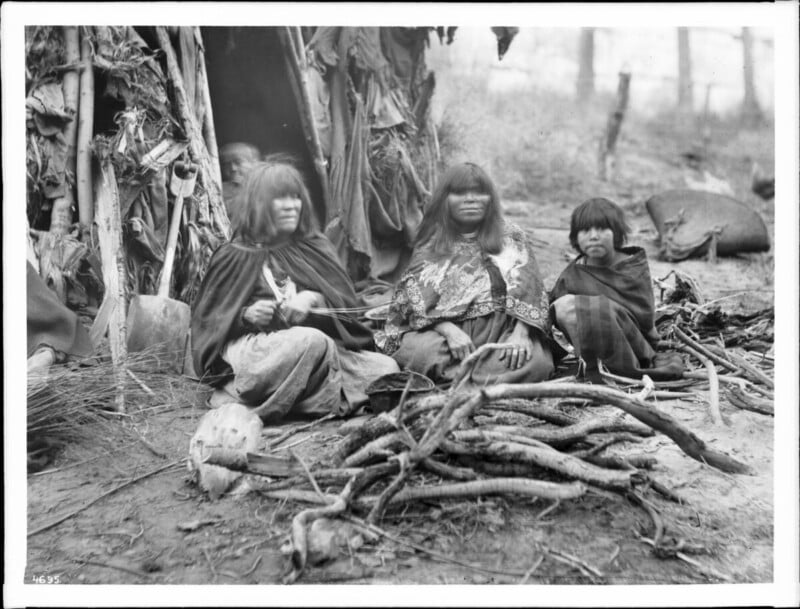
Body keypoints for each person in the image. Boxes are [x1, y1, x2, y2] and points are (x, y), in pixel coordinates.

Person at [191, 160, 399, 422]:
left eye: (296, 197)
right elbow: (208, 323)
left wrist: (313, 299)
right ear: (259, 204)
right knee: (311, 340)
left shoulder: (313, 247)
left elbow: (347, 308)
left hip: (320, 353)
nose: (292, 205)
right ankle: (241, 393)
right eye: (280, 199)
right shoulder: (234, 255)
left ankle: (288, 401)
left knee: (386, 371)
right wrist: (246, 315)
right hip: (259, 352)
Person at [378, 162, 557, 386]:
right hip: (444, 333)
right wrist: (450, 331)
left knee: (535, 362)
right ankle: (487, 381)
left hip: (500, 330)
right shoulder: (430, 243)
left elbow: (531, 291)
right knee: (418, 352)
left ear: (490, 199)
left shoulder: (512, 237)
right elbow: (413, 301)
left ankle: (464, 381)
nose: (470, 199)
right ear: (445, 200)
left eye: (479, 192)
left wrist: (521, 335)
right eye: (460, 193)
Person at [550, 197, 684, 381]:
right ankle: (591, 364)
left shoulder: (631, 268)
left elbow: (644, 320)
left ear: (617, 232)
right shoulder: (574, 272)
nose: (594, 236)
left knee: (578, 307)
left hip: (633, 346)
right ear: (575, 237)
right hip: (593, 348)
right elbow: (550, 312)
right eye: (586, 230)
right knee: (563, 306)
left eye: (602, 229)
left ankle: (608, 371)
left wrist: (602, 311)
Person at [220, 142, 261, 217]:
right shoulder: (218, 191)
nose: (233, 168)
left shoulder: (266, 188)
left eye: (238, 162)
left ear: (255, 163)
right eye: (226, 164)